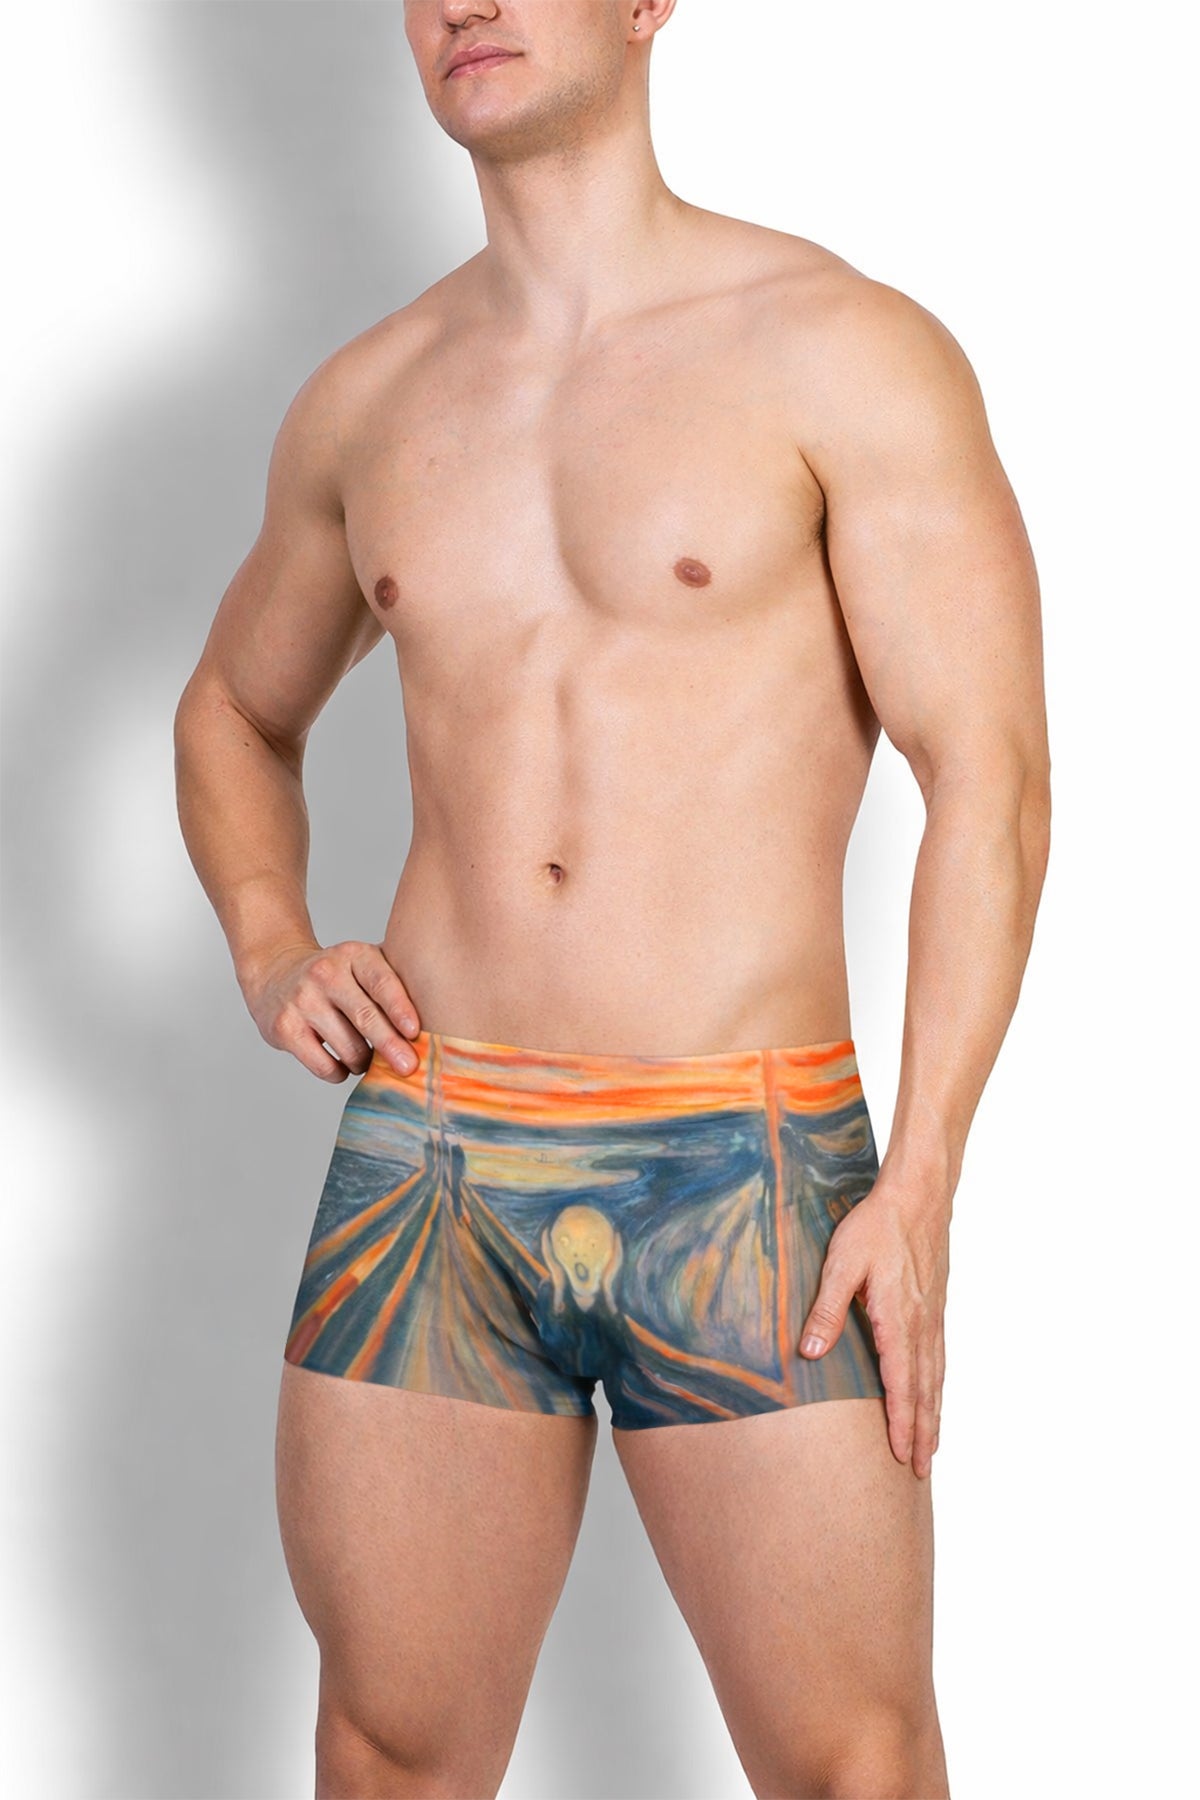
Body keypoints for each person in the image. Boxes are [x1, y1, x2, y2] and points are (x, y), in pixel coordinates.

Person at [173, 2, 1050, 1794]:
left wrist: (924, 1178)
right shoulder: (369, 398)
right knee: (391, 1755)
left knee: (855, 1766)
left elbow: (990, 779)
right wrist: (270, 943)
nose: (466, 2)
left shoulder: (841, 351)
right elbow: (234, 714)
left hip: (746, 1166)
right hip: (431, 1163)